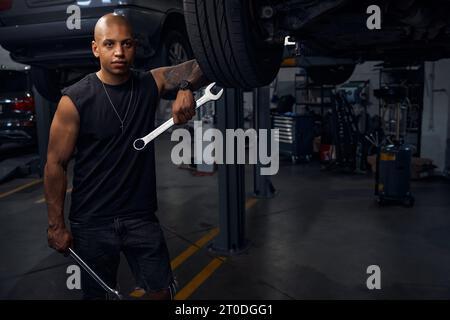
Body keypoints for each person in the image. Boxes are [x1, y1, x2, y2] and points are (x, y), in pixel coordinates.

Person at [45, 13, 208, 300]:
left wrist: (185, 87)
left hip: (140, 218)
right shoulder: (74, 100)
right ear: (96, 48)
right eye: (109, 44)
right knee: (97, 296)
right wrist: (56, 225)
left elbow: (206, 65)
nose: (119, 52)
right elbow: (55, 164)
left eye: (127, 44)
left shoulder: (150, 83)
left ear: (134, 46)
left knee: (161, 291)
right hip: (92, 220)